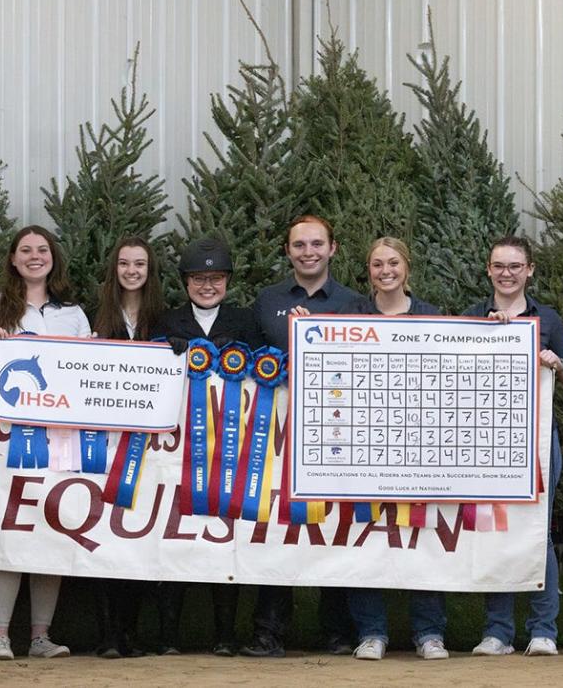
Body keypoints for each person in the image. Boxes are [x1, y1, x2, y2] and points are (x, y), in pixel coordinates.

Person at [0, 225, 90, 660]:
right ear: (13, 259)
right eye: (26, 250)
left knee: (50, 531)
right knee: (7, 531)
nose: (35, 256)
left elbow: (86, 373)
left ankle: (40, 636)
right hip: (5, 438)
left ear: (52, 257)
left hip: (59, 440)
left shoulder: (73, 313)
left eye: (42, 249)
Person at [463, 236, 563, 658]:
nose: (506, 273)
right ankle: (497, 632)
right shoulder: (473, 317)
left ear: (530, 269)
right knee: (494, 531)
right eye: (499, 265)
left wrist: (553, 359)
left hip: (536, 439)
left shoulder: (546, 317)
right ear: (489, 269)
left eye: (515, 266)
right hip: (485, 441)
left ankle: (543, 630)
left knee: (538, 533)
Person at [246, 214, 360, 657]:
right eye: (299, 245)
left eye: (317, 244)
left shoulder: (353, 302)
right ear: (287, 251)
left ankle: (337, 631)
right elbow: (250, 364)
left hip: (336, 432)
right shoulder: (267, 300)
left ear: (332, 249)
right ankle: (268, 630)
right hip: (273, 434)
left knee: (333, 525)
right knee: (274, 526)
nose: (308, 252)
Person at [333, 238, 449, 661]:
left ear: (407, 266)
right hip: (362, 443)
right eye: (377, 263)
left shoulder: (431, 316)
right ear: (369, 270)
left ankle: (430, 633)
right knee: (364, 537)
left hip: (418, 444)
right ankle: (371, 632)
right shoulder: (350, 316)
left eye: (393, 262)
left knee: (423, 536)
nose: (386, 270)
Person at [155, 237, 263, 657]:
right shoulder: (166, 321)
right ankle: (167, 636)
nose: (207, 286)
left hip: (231, 444)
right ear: (186, 282)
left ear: (227, 281)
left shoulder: (245, 320)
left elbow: (260, 373)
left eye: (215, 278)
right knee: (173, 537)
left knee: (225, 537)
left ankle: (225, 634)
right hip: (177, 445)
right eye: (199, 278)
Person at [88, 237, 165, 659]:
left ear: (150, 270)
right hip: (105, 441)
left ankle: (130, 632)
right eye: (124, 263)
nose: (132, 270)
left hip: (151, 446)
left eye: (140, 264)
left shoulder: (165, 318)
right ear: (114, 269)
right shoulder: (94, 317)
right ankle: (108, 635)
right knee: (103, 534)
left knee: (138, 536)